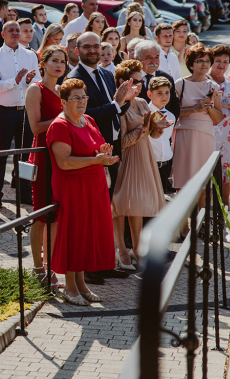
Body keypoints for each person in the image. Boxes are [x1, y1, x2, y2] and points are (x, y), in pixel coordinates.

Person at [66, 32, 131, 282]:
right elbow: (84, 113)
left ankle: (103, 262)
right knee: (92, 212)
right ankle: (89, 267)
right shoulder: (74, 78)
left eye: (96, 46)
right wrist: (116, 104)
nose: (93, 50)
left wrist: (125, 100)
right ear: (77, 50)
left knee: (105, 210)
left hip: (111, 148)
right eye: (87, 47)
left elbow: (116, 107)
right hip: (91, 152)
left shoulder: (105, 73)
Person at [48, 78, 119, 305]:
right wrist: (96, 160)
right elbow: (64, 162)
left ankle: (81, 284)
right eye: (76, 98)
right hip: (73, 187)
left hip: (94, 186)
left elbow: (94, 150)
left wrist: (103, 154)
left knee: (87, 235)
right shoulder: (60, 125)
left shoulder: (88, 120)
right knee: (75, 235)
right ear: (63, 102)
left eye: (84, 97)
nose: (81, 102)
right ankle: (69, 287)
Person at [112, 60, 171, 268]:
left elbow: (151, 134)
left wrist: (158, 128)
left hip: (144, 156)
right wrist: (143, 129)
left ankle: (137, 249)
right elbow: (121, 142)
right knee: (120, 206)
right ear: (122, 81)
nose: (138, 86)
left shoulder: (142, 103)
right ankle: (121, 250)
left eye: (140, 82)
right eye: (134, 81)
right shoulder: (118, 105)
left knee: (136, 206)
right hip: (126, 159)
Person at [25, 45, 68, 289]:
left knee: (55, 216)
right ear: (44, 63)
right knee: (40, 214)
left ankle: (50, 267)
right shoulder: (35, 89)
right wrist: (64, 118)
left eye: (62, 61)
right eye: (55, 60)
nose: (59, 65)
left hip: (61, 157)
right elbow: (35, 127)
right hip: (43, 156)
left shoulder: (63, 90)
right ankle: (37, 268)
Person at [0, 21, 41, 208]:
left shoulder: (30, 55)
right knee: (1, 154)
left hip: (26, 110)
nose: (15, 33)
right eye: (11, 30)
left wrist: (30, 80)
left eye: (17, 30)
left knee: (25, 155)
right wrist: (15, 80)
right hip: (5, 111)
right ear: (3, 34)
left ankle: (24, 192)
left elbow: (38, 80)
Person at [172, 44, 223, 214]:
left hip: (205, 136)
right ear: (191, 64)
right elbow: (173, 113)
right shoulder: (180, 84)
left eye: (207, 61)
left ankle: (203, 220)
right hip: (184, 134)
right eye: (200, 61)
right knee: (182, 180)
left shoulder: (214, 87)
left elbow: (218, 117)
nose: (204, 64)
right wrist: (195, 108)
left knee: (204, 181)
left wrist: (208, 108)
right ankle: (183, 224)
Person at [206, 45, 230, 203]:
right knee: (206, 172)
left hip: (228, 136)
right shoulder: (204, 81)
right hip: (207, 132)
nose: (221, 65)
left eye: (225, 62)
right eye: (218, 61)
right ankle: (205, 208)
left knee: (227, 171)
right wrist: (227, 105)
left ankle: (225, 206)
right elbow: (204, 102)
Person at [134, 40, 181, 119]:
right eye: (148, 57)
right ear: (137, 59)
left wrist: (168, 122)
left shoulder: (166, 78)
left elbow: (174, 105)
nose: (153, 61)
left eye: (156, 57)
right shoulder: (131, 78)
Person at [147, 76, 176, 194]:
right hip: (149, 163)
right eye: (159, 93)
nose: (164, 96)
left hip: (165, 162)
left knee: (161, 196)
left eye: (167, 93)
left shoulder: (171, 116)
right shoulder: (145, 113)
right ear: (149, 94)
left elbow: (167, 139)